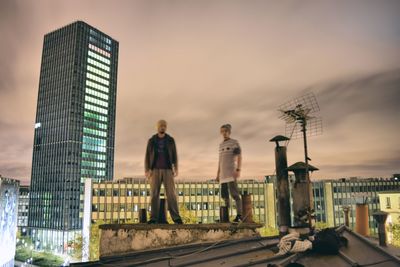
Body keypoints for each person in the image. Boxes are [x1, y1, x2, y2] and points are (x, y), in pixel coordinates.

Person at [145, 120, 183, 224]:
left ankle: (176, 218)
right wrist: (147, 170)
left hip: (168, 170)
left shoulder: (170, 140)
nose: (163, 127)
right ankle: (153, 218)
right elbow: (147, 156)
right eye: (161, 125)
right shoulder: (152, 140)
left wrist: (176, 168)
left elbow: (174, 154)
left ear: (166, 127)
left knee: (171, 194)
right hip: (155, 170)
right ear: (157, 127)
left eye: (164, 126)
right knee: (154, 194)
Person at [216, 124, 243, 223]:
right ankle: (225, 217)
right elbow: (220, 160)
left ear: (229, 132)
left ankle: (239, 216)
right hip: (223, 175)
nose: (224, 133)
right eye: (222, 131)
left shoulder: (234, 143)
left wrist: (238, 169)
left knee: (235, 195)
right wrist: (218, 174)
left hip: (231, 173)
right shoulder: (220, 145)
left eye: (226, 131)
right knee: (225, 196)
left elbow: (239, 156)